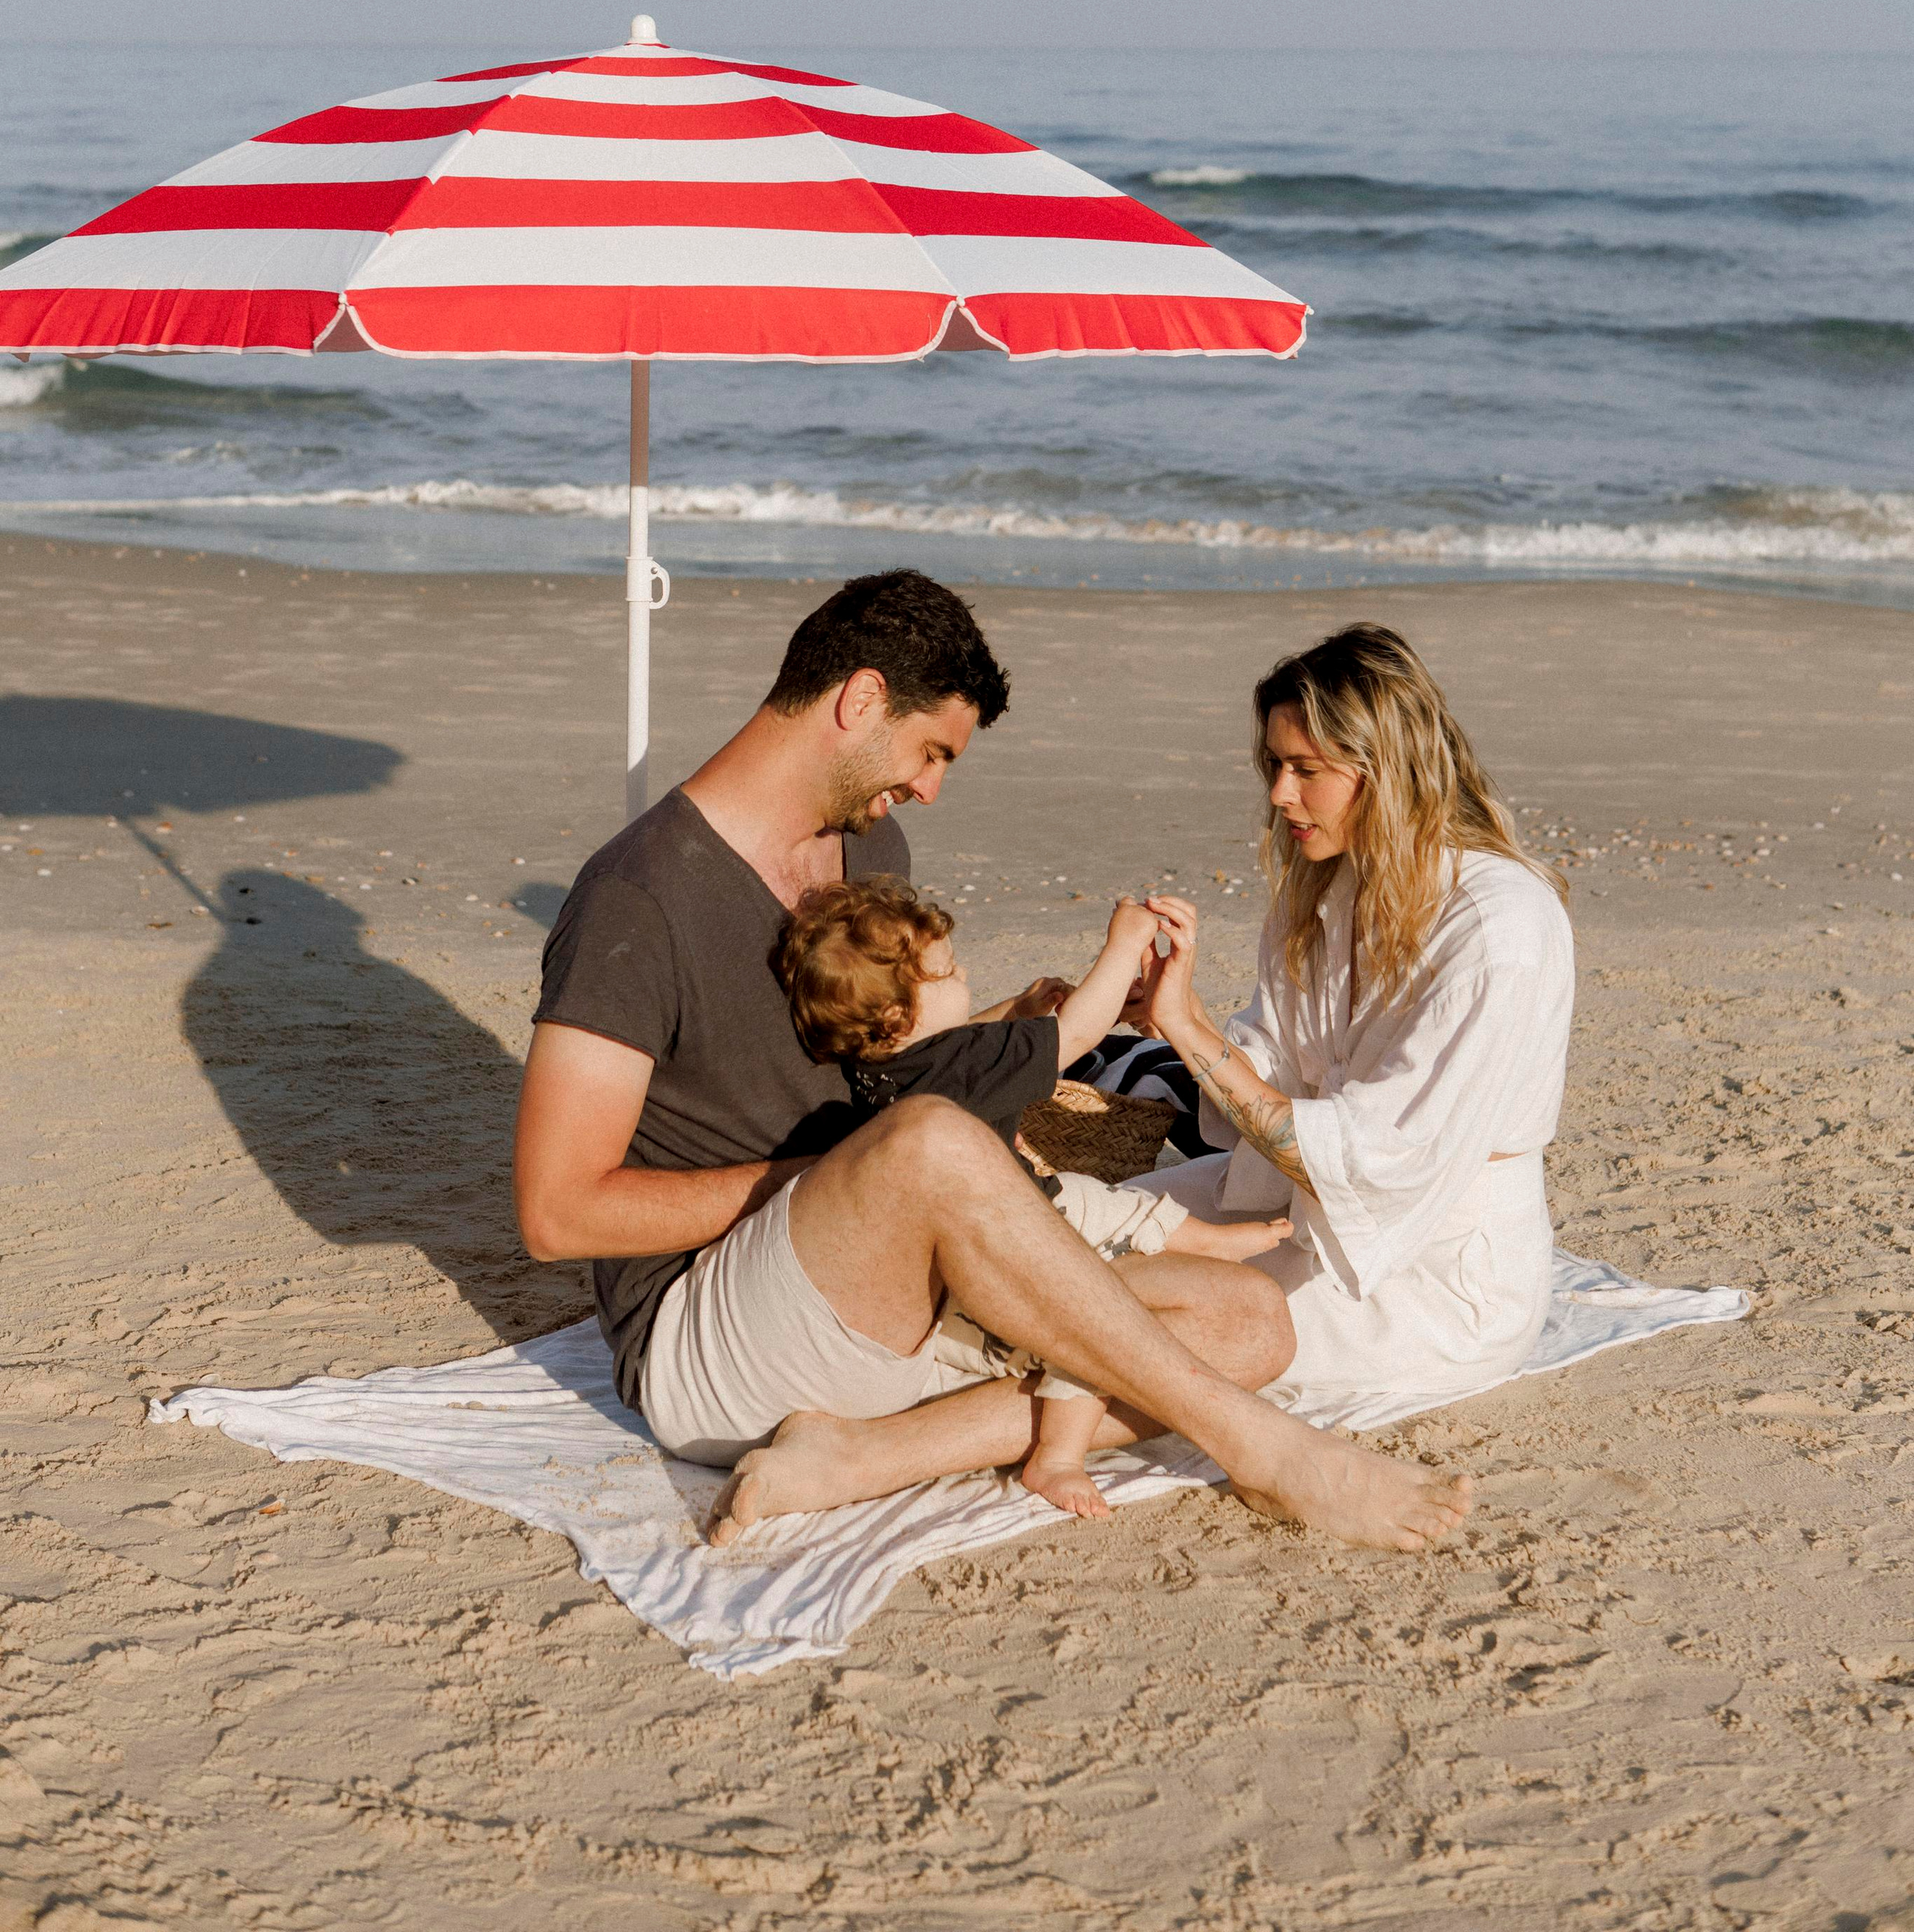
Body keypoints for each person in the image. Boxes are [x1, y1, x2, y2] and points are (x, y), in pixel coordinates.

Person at [513, 566, 1474, 1554]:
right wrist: (848, 1180)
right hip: (713, 1337)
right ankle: (1269, 1453)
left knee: (1252, 1323)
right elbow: (557, 1212)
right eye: (932, 751)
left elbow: (882, 1075)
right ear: (860, 700)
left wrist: (1006, 1031)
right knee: (929, 1146)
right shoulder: (638, 898)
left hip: (892, 1291)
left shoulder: (869, 851)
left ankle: (858, 1458)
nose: (928, 789)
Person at [1124, 621, 1575, 1430]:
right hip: (1289, 1202)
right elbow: (1256, 1094)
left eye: (1306, 770)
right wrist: (1174, 1015)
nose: (1278, 794)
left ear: (1388, 771)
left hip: (1428, 1272)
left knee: (1137, 1331)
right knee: (1060, 1238)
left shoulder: (1497, 929)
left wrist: (1189, 1034)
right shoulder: (1330, 889)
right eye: (1273, 765)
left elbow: (1372, 1161)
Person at [771, 875, 1290, 1519]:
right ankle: (1058, 1456)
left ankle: (1209, 1239)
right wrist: (1124, 943)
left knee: (1097, 1200)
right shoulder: (964, 1062)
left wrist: (1015, 1012)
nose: (965, 977)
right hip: (1006, 1260)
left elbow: (959, 1046)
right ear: (900, 1016)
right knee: (1095, 1320)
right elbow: (1078, 1033)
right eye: (951, 971)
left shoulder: (873, 1070)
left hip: (972, 1246)